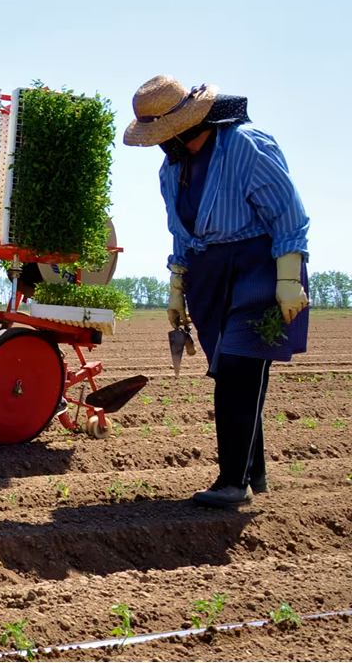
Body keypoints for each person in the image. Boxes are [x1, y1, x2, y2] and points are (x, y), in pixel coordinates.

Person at [124, 75, 310, 508]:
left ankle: (233, 483)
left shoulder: (245, 144)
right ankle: (254, 472)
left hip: (257, 266)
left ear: (188, 124)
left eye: (163, 135)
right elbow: (179, 232)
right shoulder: (172, 168)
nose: (160, 145)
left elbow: (289, 213)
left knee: (240, 373)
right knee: (231, 373)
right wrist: (176, 287)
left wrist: (288, 280)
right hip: (208, 277)